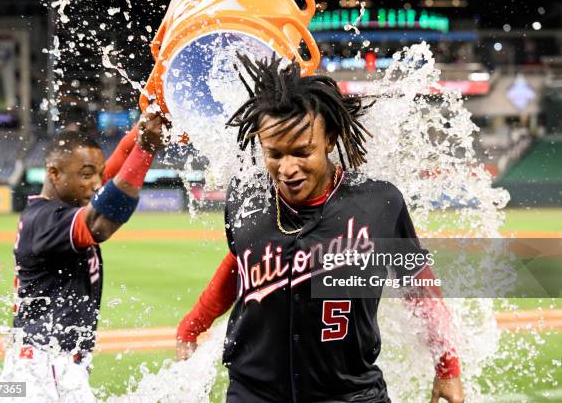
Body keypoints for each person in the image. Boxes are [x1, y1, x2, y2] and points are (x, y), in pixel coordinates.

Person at [176, 55, 464, 403]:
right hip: (254, 393)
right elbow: (241, 261)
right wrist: (194, 323)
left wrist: (447, 367)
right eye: (275, 154)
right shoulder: (245, 198)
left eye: (302, 152)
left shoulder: (379, 202)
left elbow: (418, 283)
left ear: (329, 139)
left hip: (350, 394)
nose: (287, 168)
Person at [0, 111, 168, 402]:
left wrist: (143, 126)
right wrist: (146, 149)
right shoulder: (46, 219)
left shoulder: (58, 205)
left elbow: (109, 175)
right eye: (87, 175)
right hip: (44, 368)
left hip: (43, 363)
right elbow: (101, 223)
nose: (95, 184)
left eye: (98, 175)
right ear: (53, 173)